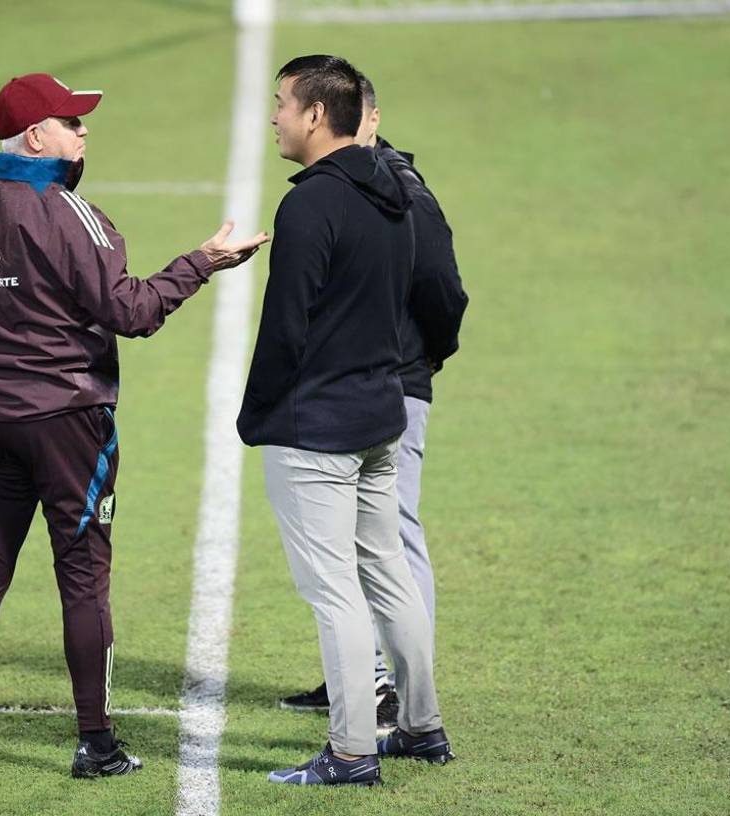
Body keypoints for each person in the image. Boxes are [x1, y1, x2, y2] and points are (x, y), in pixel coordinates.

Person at [0, 72, 268, 778]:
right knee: (82, 578)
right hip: (70, 425)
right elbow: (131, 311)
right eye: (71, 122)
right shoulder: (66, 211)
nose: (84, 133)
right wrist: (202, 263)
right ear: (34, 137)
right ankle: (95, 742)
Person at [237, 55, 452, 787]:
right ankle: (422, 728)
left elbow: (285, 326)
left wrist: (257, 409)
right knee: (388, 574)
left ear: (316, 116)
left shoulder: (308, 205)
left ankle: (354, 749)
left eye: (281, 104)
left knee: (335, 590)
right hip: (379, 417)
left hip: (316, 427)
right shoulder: (395, 192)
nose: (274, 117)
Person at [277, 74, 469, 737]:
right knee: (359, 544)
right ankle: (365, 683)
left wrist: (423, 357)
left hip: (391, 383)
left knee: (393, 539)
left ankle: (403, 700)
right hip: (364, 382)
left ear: (368, 117)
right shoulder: (349, 187)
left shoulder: (399, 190)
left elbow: (442, 285)